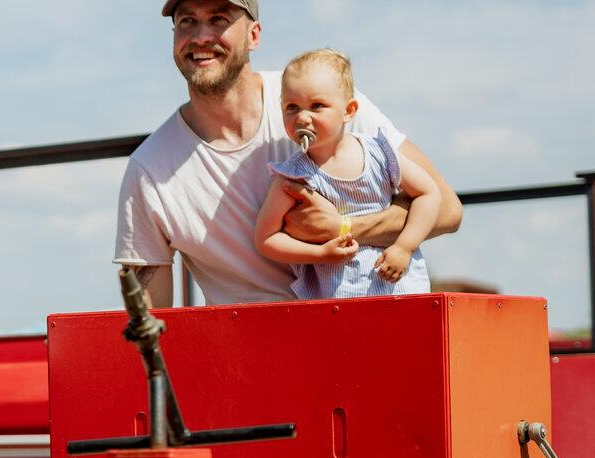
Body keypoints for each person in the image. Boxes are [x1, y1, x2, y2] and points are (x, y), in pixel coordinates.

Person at [115, 0, 463, 307]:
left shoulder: (321, 95)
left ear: (254, 35)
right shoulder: (149, 169)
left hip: (362, 326)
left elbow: (446, 209)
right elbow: (150, 321)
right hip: (252, 360)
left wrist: (341, 228)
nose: (201, 36)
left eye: (219, 19)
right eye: (187, 21)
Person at [254, 49, 441, 298]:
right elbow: (266, 238)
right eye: (292, 107)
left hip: (401, 291)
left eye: (317, 106)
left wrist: (404, 247)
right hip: (338, 303)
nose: (302, 117)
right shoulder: (293, 176)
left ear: (349, 110)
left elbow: (429, 194)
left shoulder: (380, 153)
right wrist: (320, 254)